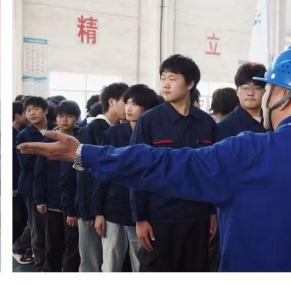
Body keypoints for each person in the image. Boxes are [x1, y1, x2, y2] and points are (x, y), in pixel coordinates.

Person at [18, 44, 291, 272]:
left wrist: (82, 152)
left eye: (268, 89)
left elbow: (162, 164)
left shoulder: (248, 152)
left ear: (283, 96)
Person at [129, 55, 216, 272]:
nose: (165, 84)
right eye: (163, 78)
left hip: (197, 217)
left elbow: (213, 170)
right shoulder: (149, 121)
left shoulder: (206, 123)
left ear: (190, 83)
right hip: (160, 218)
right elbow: (137, 169)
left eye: (172, 78)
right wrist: (140, 218)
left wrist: (213, 212)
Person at [95, 85, 161, 271]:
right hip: (113, 210)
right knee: (110, 264)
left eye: (135, 104)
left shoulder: (155, 136)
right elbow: (102, 175)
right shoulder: (113, 134)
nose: (129, 108)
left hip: (142, 214)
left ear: (148, 108)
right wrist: (98, 212)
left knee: (141, 265)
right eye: (127, 103)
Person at [77, 83, 128, 271]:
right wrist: (90, 210)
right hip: (91, 208)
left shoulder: (123, 131)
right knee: (91, 260)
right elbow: (84, 173)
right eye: (126, 101)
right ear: (111, 102)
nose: (130, 107)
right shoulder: (91, 130)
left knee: (109, 260)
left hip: (110, 208)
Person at [34, 100, 81, 271]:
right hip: (52, 201)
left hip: (74, 204)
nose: (64, 120)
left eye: (69, 116)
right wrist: (40, 199)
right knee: (52, 243)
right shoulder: (47, 141)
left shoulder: (81, 141)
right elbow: (39, 173)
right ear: (55, 118)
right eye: (61, 116)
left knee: (72, 245)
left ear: (77, 118)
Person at [15, 96, 50, 271]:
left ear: (45, 111)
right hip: (31, 188)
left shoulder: (54, 131)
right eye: (28, 110)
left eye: (35, 109)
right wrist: (49, 153)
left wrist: (38, 151)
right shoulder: (24, 135)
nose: (31, 113)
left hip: (52, 186)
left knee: (50, 227)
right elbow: (27, 164)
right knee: (37, 229)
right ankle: (41, 266)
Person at [216, 62, 267, 141]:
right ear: (237, 91)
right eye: (245, 88)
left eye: (257, 88)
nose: (250, 93)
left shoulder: (273, 121)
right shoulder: (225, 126)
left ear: (265, 91)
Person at [12, 101, 33, 265]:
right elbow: (14, 163)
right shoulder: (16, 136)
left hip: (20, 183)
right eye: (27, 111)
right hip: (18, 184)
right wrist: (13, 186)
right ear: (18, 115)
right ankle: (17, 247)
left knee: (22, 217)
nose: (29, 115)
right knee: (18, 217)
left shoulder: (19, 133)